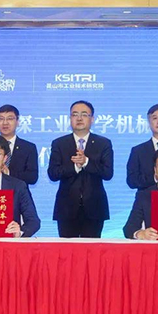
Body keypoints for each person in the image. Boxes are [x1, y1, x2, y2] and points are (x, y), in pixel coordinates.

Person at [47, 100, 113, 238]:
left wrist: (86, 162)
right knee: (67, 250)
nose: (79, 118)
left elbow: (107, 173)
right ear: (70, 118)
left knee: (91, 249)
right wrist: (75, 167)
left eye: (84, 114)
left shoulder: (103, 143)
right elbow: (53, 174)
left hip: (94, 208)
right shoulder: (59, 143)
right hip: (66, 208)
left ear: (92, 119)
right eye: (75, 114)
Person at [0, 104, 39, 186]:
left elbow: (32, 177)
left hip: (18, 193)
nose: (5, 123)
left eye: (10, 119)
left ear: (17, 122)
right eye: (1, 119)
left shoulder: (28, 147)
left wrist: (8, 173)